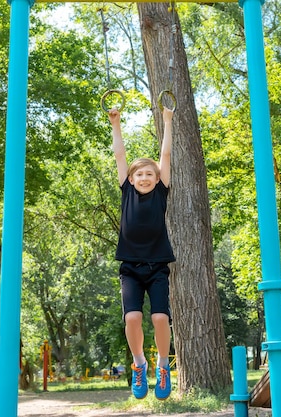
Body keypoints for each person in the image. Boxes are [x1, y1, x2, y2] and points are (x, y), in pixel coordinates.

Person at [108, 106, 175, 401]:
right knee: (132, 318)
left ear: (157, 178)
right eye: (140, 174)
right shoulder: (127, 191)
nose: (145, 177)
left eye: (150, 173)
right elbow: (120, 156)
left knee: (160, 318)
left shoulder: (161, 191)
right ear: (132, 179)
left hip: (158, 265)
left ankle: (162, 366)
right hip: (130, 267)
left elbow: (166, 157)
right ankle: (139, 364)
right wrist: (116, 124)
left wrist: (168, 121)